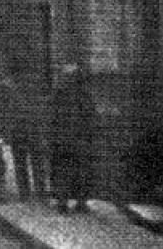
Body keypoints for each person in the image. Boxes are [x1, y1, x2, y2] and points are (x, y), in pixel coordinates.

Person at [50, 63, 95, 213]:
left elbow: (52, 117)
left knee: (63, 171)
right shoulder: (85, 95)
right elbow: (91, 117)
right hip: (80, 140)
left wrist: (53, 136)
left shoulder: (59, 94)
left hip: (62, 140)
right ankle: (81, 203)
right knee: (81, 171)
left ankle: (63, 203)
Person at [9, 70, 50, 201]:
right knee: (37, 164)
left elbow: (9, 114)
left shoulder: (14, 93)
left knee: (22, 164)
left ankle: (25, 193)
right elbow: (43, 115)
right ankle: (40, 193)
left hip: (20, 132)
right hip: (32, 133)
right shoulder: (38, 95)